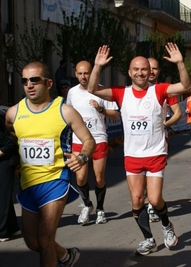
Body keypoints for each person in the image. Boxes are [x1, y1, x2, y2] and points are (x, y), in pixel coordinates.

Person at [87, 43, 191, 255]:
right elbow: (92, 89)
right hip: (132, 155)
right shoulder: (121, 93)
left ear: (149, 72)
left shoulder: (159, 90)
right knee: (136, 200)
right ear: (130, 72)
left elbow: (184, 86)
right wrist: (97, 67)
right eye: (136, 69)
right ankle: (148, 239)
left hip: (155, 153)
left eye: (144, 69)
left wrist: (180, 62)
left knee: (154, 199)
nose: (141, 73)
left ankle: (166, 225)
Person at [5, 61, 95, 266]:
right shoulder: (13, 113)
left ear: (48, 83)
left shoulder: (65, 111)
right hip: (28, 183)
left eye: (35, 80)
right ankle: (65, 256)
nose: (29, 85)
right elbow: (13, 133)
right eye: (25, 81)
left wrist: (82, 157)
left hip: (56, 181)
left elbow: (89, 141)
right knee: (33, 242)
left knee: (45, 239)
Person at [66, 60, 119, 225]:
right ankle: (87, 205)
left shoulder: (102, 91)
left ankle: (101, 209)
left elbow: (115, 115)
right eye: (80, 73)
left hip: (98, 139)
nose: (83, 76)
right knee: (80, 178)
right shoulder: (72, 93)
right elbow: (67, 113)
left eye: (86, 73)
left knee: (99, 177)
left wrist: (100, 109)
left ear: (92, 73)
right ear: (76, 74)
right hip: (79, 140)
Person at [147, 57, 182, 223]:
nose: (151, 72)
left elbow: (177, 113)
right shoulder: (132, 90)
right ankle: (149, 201)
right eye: (149, 68)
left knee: (154, 173)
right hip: (137, 141)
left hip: (158, 140)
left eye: (155, 68)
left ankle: (152, 204)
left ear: (159, 71)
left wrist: (164, 124)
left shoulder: (165, 90)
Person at [0, 109, 20, 242]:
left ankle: (1, 232)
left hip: (6, 158)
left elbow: (10, 143)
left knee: (2, 195)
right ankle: (12, 227)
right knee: (4, 195)